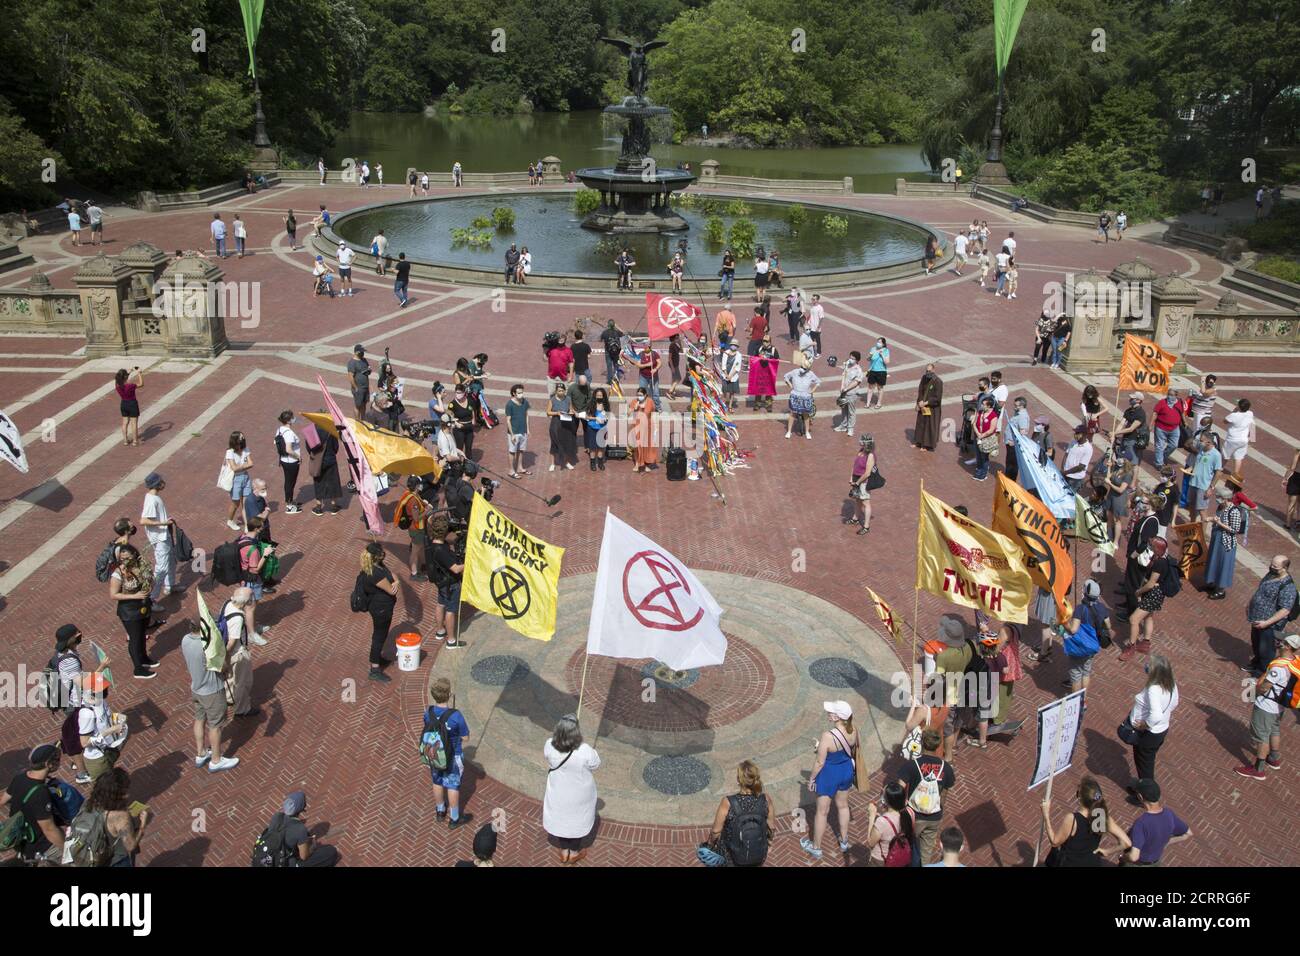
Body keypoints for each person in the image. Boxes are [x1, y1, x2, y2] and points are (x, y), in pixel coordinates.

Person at [800, 700, 859, 860]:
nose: (828, 713)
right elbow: (846, 749)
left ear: (838, 717)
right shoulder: (853, 729)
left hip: (829, 775)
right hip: (846, 771)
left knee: (822, 812)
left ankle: (816, 848)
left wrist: (811, 779)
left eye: (831, 712)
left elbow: (820, 762)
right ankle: (844, 841)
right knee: (843, 806)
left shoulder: (827, 735)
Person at [543, 714, 600, 864]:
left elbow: (547, 757)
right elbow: (596, 764)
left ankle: (564, 851)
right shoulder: (585, 750)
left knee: (561, 817)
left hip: (559, 790)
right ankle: (573, 853)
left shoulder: (549, 744)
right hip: (579, 793)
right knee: (578, 820)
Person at [181, 624, 238, 773]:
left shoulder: (185, 639)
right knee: (216, 725)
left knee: (199, 719)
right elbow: (222, 667)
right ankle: (216, 760)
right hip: (212, 691)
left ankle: (201, 753)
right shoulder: (207, 646)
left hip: (196, 688)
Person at [697, 760, 776, 867]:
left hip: (732, 856)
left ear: (739, 780)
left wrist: (710, 845)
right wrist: (769, 845)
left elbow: (716, 831)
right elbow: (771, 827)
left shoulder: (728, 802)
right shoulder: (766, 799)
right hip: (758, 854)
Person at [1041, 776, 1131, 867]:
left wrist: (1046, 815)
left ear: (1080, 797)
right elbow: (1126, 843)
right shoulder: (1103, 816)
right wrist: (1107, 851)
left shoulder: (1073, 819)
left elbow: (1055, 841)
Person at [898, 729, 956, 864]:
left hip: (913, 816)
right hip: (934, 816)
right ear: (937, 746)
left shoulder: (912, 765)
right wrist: (940, 808)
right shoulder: (946, 767)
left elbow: (899, 788)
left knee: (905, 847)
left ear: (922, 743)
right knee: (926, 853)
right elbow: (945, 793)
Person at [424, 677, 472, 829]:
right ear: (449, 694)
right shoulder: (456, 715)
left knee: (437, 782)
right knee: (452, 785)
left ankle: (440, 810)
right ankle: (455, 818)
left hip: (435, 754)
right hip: (453, 756)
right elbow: (466, 737)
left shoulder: (429, 712)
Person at [1125, 654, 1179, 792]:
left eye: (1150, 665)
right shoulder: (1171, 683)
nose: (1147, 665)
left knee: (1145, 767)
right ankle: (1143, 788)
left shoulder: (1153, 689)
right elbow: (1175, 703)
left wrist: (1145, 725)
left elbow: (1156, 715)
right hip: (1161, 730)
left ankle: (1145, 794)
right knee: (1146, 762)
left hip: (1149, 734)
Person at [6, 744, 66, 862]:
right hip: (42, 846)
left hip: (23, 841)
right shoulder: (40, 793)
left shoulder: (20, 777)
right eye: (58, 760)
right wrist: (68, 851)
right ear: (48, 764)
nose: (59, 762)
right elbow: (49, 830)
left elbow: (3, 800)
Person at [1112, 779, 1191, 865]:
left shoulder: (1141, 823)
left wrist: (1123, 857)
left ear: (1140, 797)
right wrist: (1165, 842)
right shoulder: (1169, 814)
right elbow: (1188, 834)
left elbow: (1134, 856)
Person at [108, 543, 158, 679]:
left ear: (135, 555)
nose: (125, 561)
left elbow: (151, 580)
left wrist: (150, 586)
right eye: (122, 559)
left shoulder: (141, 566)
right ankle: (138, 668)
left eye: (128, 558)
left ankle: (144, 658)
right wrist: (134, 596)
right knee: (135, 638)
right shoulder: (118, 573)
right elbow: (113, 595)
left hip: (143, 606)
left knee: (142, 634)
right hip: (129, 610)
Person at [1121, 536, 1171, 662]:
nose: (1149, 548)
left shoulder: (1159, 563)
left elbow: (1151, 583)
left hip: (1153, 594)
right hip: (1156, 593)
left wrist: (1139, 592)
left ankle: (1131, 647)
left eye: (1152, 546)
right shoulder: (1160, 558)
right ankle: (1145, 643)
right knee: (1149, 616)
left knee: (1133, 619)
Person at [1247, 557, 1298, 675]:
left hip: (1270, 625)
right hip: (1257, 619)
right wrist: (1250, 603)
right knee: (1256, 643)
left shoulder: (1288, 587)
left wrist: (1266, 623)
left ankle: (1261, 672)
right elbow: (1260, 590)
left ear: (1284, 568)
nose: (1271, 567)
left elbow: (1285, 610)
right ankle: (1256, 663)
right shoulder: (1271, 574)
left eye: (1275, 566)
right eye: (1271, 564)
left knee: (1266, 650)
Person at [260, 791, 340, 867]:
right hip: (285, 863)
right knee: (331, 852)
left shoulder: (276, 817)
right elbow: (304, 856)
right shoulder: (300, 829)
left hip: (266, 857)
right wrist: (312, 847)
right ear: (301, 809)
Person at [1063, 579, 1111, 693]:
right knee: (1086, 672)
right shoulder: (1102, 608)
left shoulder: (1080, 609)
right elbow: (1108, 625)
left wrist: (1064, 624)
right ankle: (1083, 700)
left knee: (1076, 674)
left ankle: (1076, 702)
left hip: (1080, 647)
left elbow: (1073, 630)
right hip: (1093, 646)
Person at [76, 673, 126, 781]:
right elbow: (84, 743)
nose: (106, 690)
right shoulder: (87, 713)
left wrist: (116, 719)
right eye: (103, 688)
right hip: (97, 759)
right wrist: (111, 730)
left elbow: (103, 720)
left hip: (108, 750)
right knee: (104, 791)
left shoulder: (100, 700)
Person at [359, 542, 397, 683]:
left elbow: (390, 575)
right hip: (381, 609)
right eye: (381, 553)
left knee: (380, 635)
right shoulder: (375, 574)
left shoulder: (376, 566)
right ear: (376, 557)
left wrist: (394, 580)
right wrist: (397, 582)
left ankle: (377, 658)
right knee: (379, 636)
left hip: (380, 607)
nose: (383, 554)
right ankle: (375, 669)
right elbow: (392, 589)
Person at [1203, 487, 1249, 599]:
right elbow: (1217, 518)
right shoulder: (1221, 507)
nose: (1217, 499)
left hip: (1226, 542)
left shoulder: (1234, 511)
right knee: (1214, 560)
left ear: (1224, 498)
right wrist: (1211, 519)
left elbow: (1235, 529)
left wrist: (1220, 523)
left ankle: (1221, 590)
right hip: (1217, 538)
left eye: (1218, 497)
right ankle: (1212, 583)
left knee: (1223, 564)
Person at [427, 516, 465, 649]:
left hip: (440, 582)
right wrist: (468, 563)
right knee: (451, 610)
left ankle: (440, 631)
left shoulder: (431, 542)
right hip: (450, 584)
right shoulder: (442, 551)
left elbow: (430, 520)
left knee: (440, 604)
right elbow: (455, 569)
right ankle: (451, 640)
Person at [140, 470, 175, 605]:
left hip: (163, 535)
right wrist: (163, 523)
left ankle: (170, 585)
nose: (163, 483)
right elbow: (143, 520)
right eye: (160, 481)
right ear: (156, 484)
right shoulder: (152, 500)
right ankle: (151, 599)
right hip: (160, 538)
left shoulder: (153, 497)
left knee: (171, 560)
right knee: (161, 568)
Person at [863, 781, 914, 867]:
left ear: (885, 801)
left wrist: (872, 817)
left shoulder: (882, 822)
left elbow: (870, 842)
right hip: (900, 857)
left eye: (882, 793)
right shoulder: (909, 812)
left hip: (881, 860)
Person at [1183, 431, 1222, 521]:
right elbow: (1197, 462)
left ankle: (1202, 534)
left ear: (1208, 442)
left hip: (1203, 486)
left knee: (1202, 512)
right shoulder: (1201, 449)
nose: (1199, 442)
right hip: (1193, 483)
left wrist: (1211, 487)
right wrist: (1190, 468)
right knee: (1191, 508)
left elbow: (1218, 472)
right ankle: (1192, 527)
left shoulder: (1216, 455)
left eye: (1201, 440)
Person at [223, 431, 254, 532]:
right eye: (241, 437)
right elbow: (234, 468)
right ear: (235, 440)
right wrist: (244, 466)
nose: (243, 439)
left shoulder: (245, 449)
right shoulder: (230, 452)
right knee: (235, 503)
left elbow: (251, 463)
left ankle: (246, 525)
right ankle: (230, 520)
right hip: (235, 480)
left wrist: (240, 467)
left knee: (245, 503)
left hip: (245, 477)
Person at [846, 434, 876, 535]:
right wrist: (851, 478)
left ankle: (866, 526)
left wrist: (858, 482)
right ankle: (855, 518)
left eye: (862, 441)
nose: (860, 442)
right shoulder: (860, 451)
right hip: (856, 480)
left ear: (866, 443)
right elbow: (855, 465)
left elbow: (867, 473)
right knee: (858, 500)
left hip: (864, 482)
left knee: (866, 502)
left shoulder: (871, 455)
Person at [275, 411, 302, 514]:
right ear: (288, 420)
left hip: (283, 460)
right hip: (291, 462)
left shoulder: (279, 430)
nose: (294, 419)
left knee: (289, 482)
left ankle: (290, 501)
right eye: (292, 417)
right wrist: (298, 457)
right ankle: (289, 506)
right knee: (290, 482)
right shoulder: (289, 433)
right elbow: (289, 449)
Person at [546, 382, 578, 471]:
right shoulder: (552, 400)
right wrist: (556, 413)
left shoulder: (568, 399)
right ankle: (552, 463)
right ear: (556, 391)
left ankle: (566, 462)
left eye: (562, 390)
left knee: (566, 442)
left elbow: (571, 409)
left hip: (566, 422)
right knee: (554, 443)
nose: (561, 392)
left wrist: (572, 412)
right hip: (556, 422)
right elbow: (548, 412)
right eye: (559, 391)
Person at [1222, 398, 1256, 481]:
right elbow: (1252, 425)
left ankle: (1219, 468)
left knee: (1225, 455)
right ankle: (1235, 474)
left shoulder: (1234, 415)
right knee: (1239, 458)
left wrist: (1234, 412)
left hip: (1232, 439)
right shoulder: (1250, 413)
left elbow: (1225, 421)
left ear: (1239, 407)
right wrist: (1252, 438)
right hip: (1243, 440)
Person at [783, 363, 820, 440]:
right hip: (795, 395)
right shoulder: (795, 372)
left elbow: (818, 381)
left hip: (806, 396)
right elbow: (786, 376)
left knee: (806, 414)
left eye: (805, 368)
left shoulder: (811, 374)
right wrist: (789, 384)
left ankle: (807, 431)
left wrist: (812, 390)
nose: (803, 369)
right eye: (802, 367)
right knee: (792, 413)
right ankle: (789, 431)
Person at [833, 351, 865, 434]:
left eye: (853, 358)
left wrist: (846, 388)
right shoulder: (847, 365)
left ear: (857, 360)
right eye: (850, 357)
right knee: (843, 410)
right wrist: (842, 387)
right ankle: (843, 426)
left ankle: (850, 428)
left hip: (852, 393)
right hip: (844, 392)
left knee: (851, 411)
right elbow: (844, 375)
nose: (850, 359)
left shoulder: (858, 370)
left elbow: (856, 382)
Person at [504, 384, 531, 479]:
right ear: (513, 393)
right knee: (512, 451)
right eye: (519, 393)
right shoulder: (509, 404)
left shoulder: (525, 402)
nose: (521, 394)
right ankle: (511, 470)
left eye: (522, 392)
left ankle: (520, 468)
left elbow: (526, 415)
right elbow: (508, 420)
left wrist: (527, 429)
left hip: (523, 431)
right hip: (514, 432)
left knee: (521, 450)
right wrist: (512, 434)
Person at [913, 364, 943, 450]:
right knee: (921, 424)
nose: (928, 373)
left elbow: (937, 398)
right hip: (922, 405)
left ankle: (926, 445)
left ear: (934, 370)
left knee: (929, 426)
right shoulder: (924, 378)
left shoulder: (938, 381)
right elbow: (920, 390)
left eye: (929, 371)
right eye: (927, 371)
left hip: (932, 408)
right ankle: (918, 442)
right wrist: (919, 401)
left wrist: (926, 403)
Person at [629, 386, 657, 473]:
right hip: (636, 427)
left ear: (645, 395)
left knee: (646, 446)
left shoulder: (650, 401)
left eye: (641, 395)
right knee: (638, 446)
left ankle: (645, 463)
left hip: (647, 427)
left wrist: (656, 427)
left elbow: (653, 413)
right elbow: (628, 413)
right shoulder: (634, 401)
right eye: (638, 395)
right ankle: (637, 463)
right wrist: (635, 408)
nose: (639, 397)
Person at [971, 396, 998, 482]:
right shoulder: (979, 412)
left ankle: (983, 474)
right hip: (978, 437)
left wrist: (982, 435)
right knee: (978, 455)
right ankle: (979, 470)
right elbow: (974, 423)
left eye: (984, 405)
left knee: (984, 457)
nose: (982, 406)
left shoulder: (993, 416)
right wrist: (978, 434)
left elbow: (991, 429)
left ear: (989, 406)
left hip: (987, 439)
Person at [113, 367, 143, 447]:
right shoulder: (130, 386)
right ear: (125, 377)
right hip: (132, 404)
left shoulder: (117, 385)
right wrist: (139, 373)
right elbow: (141, 384)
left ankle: (125, 440)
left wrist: (128, 373)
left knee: (125, 422)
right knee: (134, 423)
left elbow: (120, 380)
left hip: (123, 404)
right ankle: (135, 441)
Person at [1115, 393, 1147, 465]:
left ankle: (1132, 476)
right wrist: (1115, 433)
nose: (1130, 400)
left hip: (1134, 440)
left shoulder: (1140, 413)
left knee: (1133, 463)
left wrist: (1115, 433)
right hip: (1125, 439)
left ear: (1138, 400)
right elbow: (1122, 423)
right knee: (1121, 461)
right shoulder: (1128, 410)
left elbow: (1131, 429)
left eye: (1132, 399)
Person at [1062, 426, 1093, 492]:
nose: (1075, 435)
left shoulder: (1088, 448)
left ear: (1084, 434)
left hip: (1075, 479)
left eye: (1078, 433)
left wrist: (1065, 472)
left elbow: (1081, 467)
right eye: (1075, 432)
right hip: (1065, 474)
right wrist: (1062, 469)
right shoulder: (1073, 442)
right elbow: (1066, 455)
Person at [864, 337, 889, 409]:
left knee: (880, 388)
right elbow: (868, 359)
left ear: (883, 344)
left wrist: (882, 355)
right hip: (872, 370)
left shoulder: (886, 350)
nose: (878, 343)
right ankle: (868, 403)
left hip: (881, 371)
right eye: (878, 341)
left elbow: (887, 362)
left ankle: (879, 403)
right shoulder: (873, 349)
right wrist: (870, 356)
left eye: (880, 342)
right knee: (870, 387)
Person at [719, 343, 742, 413]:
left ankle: (730, 406)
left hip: (733, 375)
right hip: (725, 374)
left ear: (737, 346)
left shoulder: (739, 355)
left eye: (735, 345)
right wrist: (726, 375)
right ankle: (724, 404)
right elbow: (723, 365)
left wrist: (730, 376)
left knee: (732, 392)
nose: (734, 346)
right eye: (732, 345)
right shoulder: (726, 353)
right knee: (724, 390)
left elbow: (737, 367)